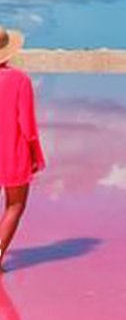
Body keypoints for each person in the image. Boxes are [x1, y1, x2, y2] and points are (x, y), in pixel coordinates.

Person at [0, 26, 47, 272]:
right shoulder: (19, 80)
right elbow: (27, 124)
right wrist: (35, 155)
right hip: (11, 149)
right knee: (15, 205)